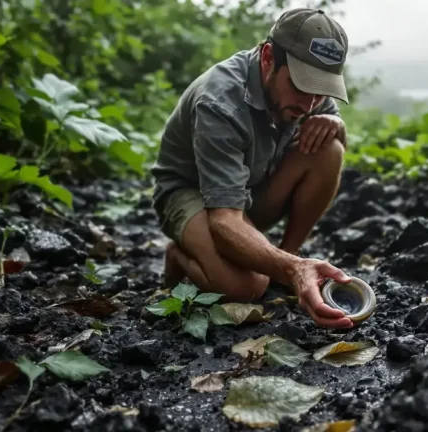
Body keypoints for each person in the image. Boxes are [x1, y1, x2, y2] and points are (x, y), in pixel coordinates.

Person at [150, 8, 355, 329]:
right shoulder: (220, 101)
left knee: (329, 149)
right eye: (302, 86)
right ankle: (180, 255)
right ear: (269, 57)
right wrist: (294, 269)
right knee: (246, 288)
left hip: (246, 189)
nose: (309, 104)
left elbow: (324, 117)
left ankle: (287, 256)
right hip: (192, 194)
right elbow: (224, 218)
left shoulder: (308, 95)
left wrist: (335, 122)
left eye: (322, 90)